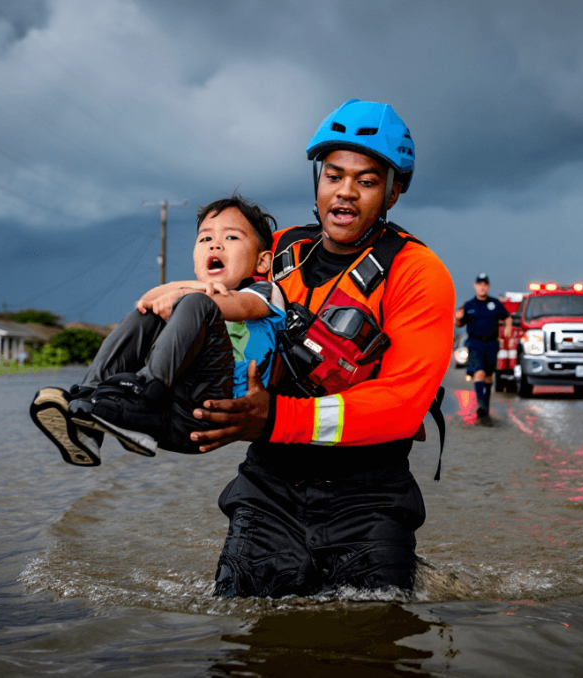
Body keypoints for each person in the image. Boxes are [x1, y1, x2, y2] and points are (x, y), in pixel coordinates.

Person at [189, 99, 455, 598]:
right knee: (240, 631)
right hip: (268, 484)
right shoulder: (278, 250)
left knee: (374, 639)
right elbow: (215, 307)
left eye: (368, 181)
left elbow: (402, 407)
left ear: (393, 193)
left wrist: (273, 419)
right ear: (317, 179)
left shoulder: (420, 273)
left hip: (370, 496)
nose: (346, 193)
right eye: (333, 175)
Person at [28, 194, 284, 465]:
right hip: (170, 412)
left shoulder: (264, 292)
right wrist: (191, 287)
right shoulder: (194, 298)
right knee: (147, 314)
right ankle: (88, 408)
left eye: (231, 238)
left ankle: (146, 400)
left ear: (262, 262)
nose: (215, 245)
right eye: (205, 239)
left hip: (214, 414)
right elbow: (147, 300)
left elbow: (240, 307)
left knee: (197, 304)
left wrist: (190, 294)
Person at [456, 273, 511, 418]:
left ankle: (485, 405)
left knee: (488, 376)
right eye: (479, 284)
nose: (482, 287)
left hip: (491, 343)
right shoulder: (469, 305)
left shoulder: (495, 304)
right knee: (478, 372)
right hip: (475, 343)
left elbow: (507, 317)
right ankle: (480, 405)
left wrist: (508, 327)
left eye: (485, 284)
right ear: (475, 286)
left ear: (488, 287)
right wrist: (457, 318)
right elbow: (459, 324)